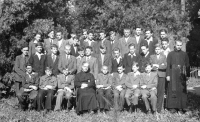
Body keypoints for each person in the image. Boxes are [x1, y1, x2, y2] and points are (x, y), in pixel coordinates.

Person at [166, 40, 190, 113]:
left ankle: (182, 107)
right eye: (177, 45)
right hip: (172, 73)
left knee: (181, 90)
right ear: (175, 45)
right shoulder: (170, 54)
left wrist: (188, 75)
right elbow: (167, 65)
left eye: (180, 45)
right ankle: (173, 107)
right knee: (173, 90)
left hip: (181, 74)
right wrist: (168, 75)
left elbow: (187, 64)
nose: (179, 46)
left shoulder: (184, 54)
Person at [150, 44, 167, 113]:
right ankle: (153, 107)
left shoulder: (164, 56)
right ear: (155, 50)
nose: (157, 51)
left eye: (158, 49)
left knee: (161, 92)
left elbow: (165, 66)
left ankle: (159, 108)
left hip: (161, 76)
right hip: (154, 76)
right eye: (156, 49)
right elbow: (150, 65)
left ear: (160, 50)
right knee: (153, 91)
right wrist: (160, 65)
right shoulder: (152, 56)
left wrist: (157, 65)